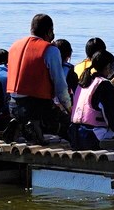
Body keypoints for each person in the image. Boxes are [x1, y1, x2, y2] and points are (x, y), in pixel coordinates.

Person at [4, 14, 71, 143]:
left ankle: (21, 124)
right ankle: (34, 126)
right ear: (49, 31)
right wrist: (69, 108)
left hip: (13, 105)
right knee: (67, 124)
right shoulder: (50, 50)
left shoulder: (14, 47)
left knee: (30, 118)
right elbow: (60, 85)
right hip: (37, 106)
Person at [67, 51, 114, 149]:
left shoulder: (83, 82)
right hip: (93, 135)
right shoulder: (105, 85)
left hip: (75, 134)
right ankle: (103, 141)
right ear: (109, 66)